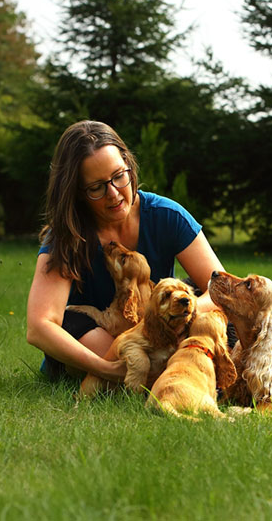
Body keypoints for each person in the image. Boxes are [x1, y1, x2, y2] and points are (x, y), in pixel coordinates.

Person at [26, 120, 226, 382]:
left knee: (217, 312)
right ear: (76, 193)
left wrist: (172, 318)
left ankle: (166, 372)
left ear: (129, 165)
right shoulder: (66, 235)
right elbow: (39, 326)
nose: (114, 193)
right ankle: (141, 374)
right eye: (97, 187)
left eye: (119, 176)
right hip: (96, 339)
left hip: (162, 329)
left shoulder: (167, 215)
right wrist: (105, 369)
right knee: (70, 321)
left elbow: (222, 290)